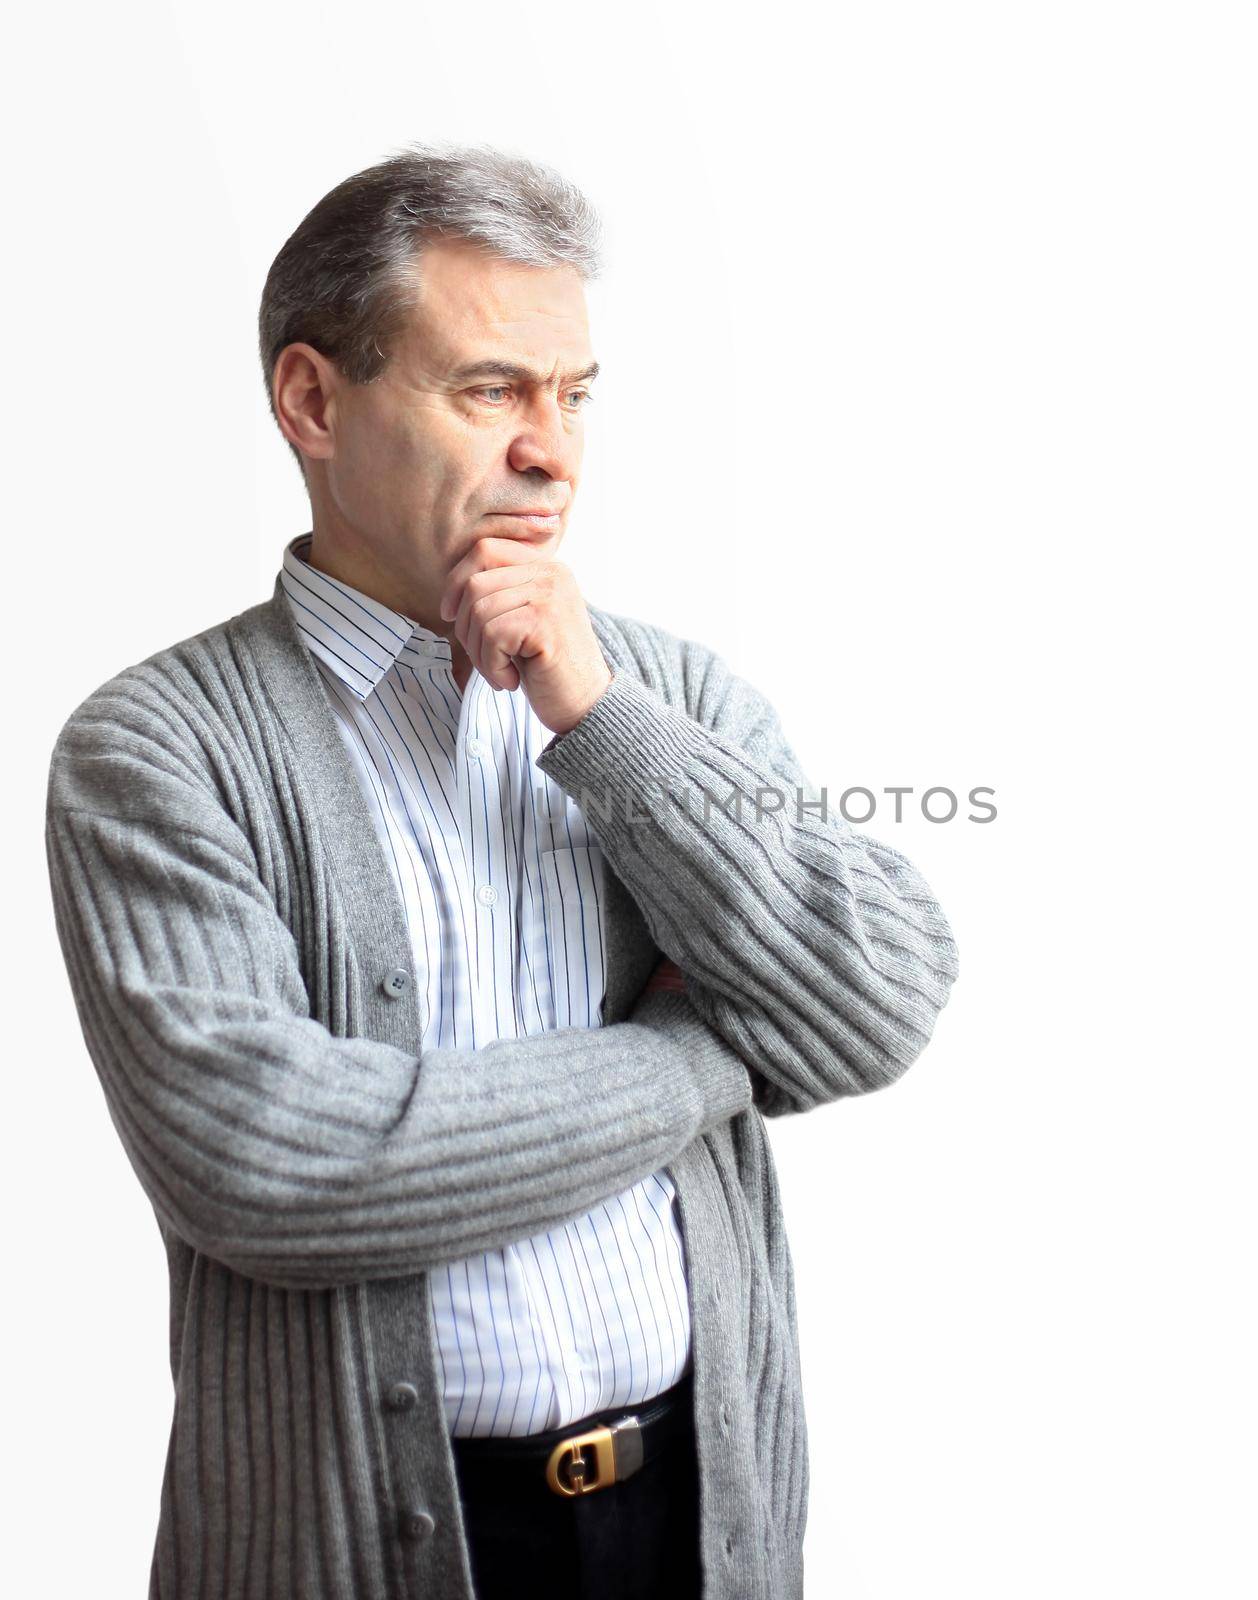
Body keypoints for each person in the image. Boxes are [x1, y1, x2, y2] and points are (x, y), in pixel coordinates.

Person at [43, 140, 960, 1599]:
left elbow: (870, 1002)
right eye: (489, 390)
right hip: (360, 1544)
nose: (554, 449)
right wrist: (696, 1055)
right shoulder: (158, 750)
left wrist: (601, 723)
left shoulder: (666, 695)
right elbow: (279, 1168)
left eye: (573, 395)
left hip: (697, 1520)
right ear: (311, 400)